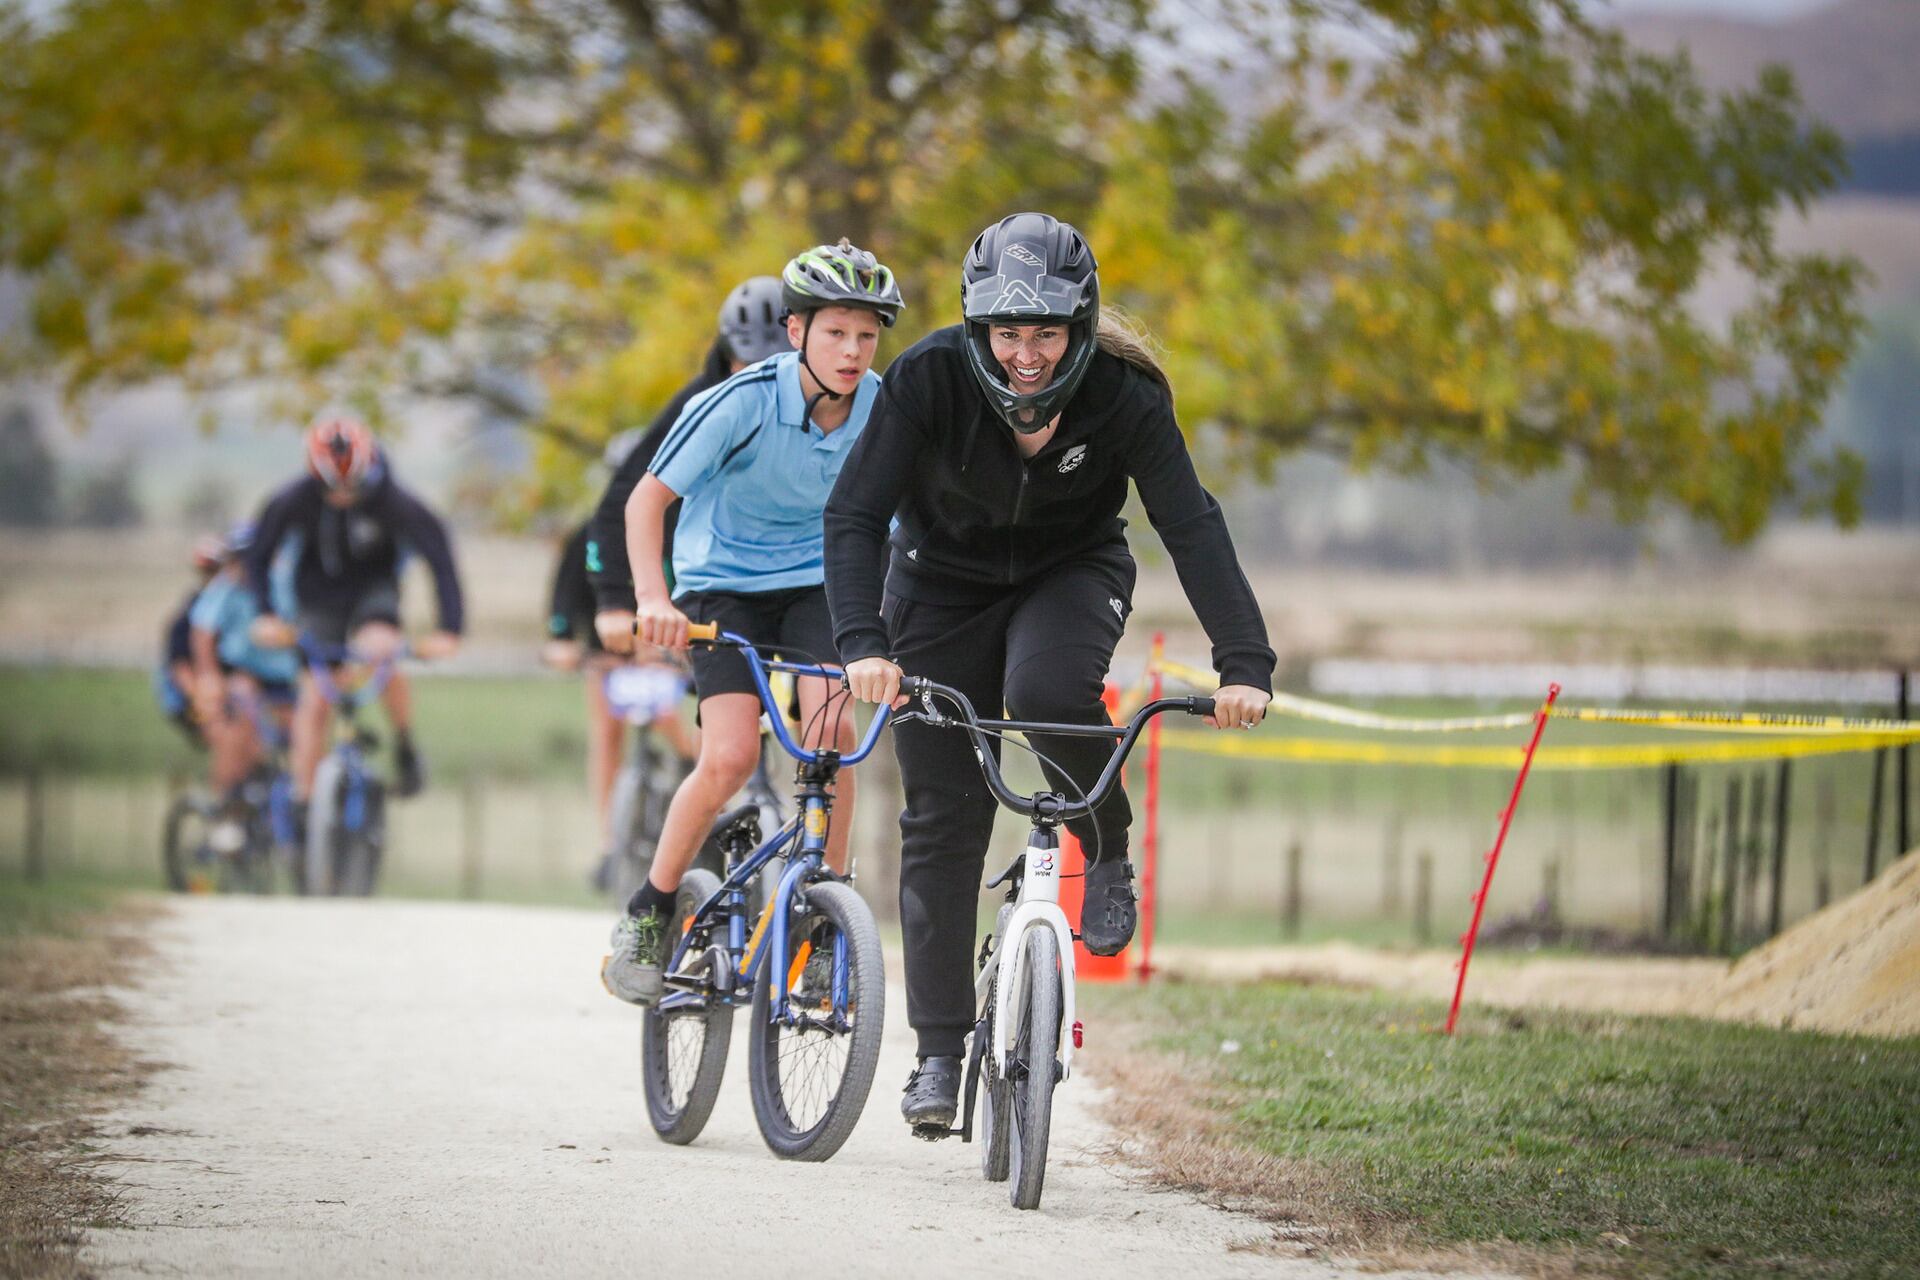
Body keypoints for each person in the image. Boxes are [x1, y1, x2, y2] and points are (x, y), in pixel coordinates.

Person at [824, 212, 1276, 1133]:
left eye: (1045, 333)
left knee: (1044, 696)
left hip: (1069, 574)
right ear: (976, 323)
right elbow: (856, 517)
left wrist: (1245, 662)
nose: (1025, 355)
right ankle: (941, 1055)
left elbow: (1191, 524)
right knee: (942, 817)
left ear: (1080, 322)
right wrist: (863, 643)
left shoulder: (1125, 398)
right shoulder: (926, 379)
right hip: (937, 590)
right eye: (1007, 332)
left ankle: (1105, 848)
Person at [600, 242, 904, 1005]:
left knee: (833, 732)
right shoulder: (736, 401)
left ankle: (828, 909)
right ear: (795, 331)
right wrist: (650, 600)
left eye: (867, 336)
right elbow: (645, 502)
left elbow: (908, 522)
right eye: (836, 332)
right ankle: (651, 906)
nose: (853, 351)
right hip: (722, 587)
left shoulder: (882, 405)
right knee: (730, 755)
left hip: (818, 583)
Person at [243, 415, 464, 839]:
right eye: (331, 489)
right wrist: (266, 614)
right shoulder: (293, 499)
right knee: (316, 694)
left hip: (374, 592)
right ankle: (305, 804)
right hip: (318, 597)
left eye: (353, 487)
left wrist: (449, 629)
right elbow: (258, 554)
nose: (343, 496)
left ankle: (404, 743)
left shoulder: (394, 502)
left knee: (380, 648)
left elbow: (440, 557)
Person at [588, 275, 793, 651]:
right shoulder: (700, 403)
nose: (758, 381)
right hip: (718, 580)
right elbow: (625, 496)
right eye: (745, 365)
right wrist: (614, 599)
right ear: (725, 354)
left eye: (773, 366)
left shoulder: (831, 403)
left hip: (801, 578)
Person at [542, 465, 696, 887]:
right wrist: (561, 638)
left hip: (666, 644)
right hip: (607, 647)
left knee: (674, 720)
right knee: (606, 731)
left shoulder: (680, 526)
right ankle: (611, 840)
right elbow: (564, 593)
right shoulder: (591, 532)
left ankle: (694, 778)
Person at [187, 522, 301, 804]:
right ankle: (226, 804)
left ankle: (300, 798)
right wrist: (209, 676)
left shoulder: (284, 584)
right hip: (242, 670)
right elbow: (203, 633)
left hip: (281, 675)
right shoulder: (225, 589)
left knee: (301, 730)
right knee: (240, 719)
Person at [154, 534, 229, 748]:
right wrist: (202, 699)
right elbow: (180, 665)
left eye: (216, 570)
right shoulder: (188, 614)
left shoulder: (226, 605)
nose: (213, 578)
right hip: (189, 698)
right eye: (208, 571)